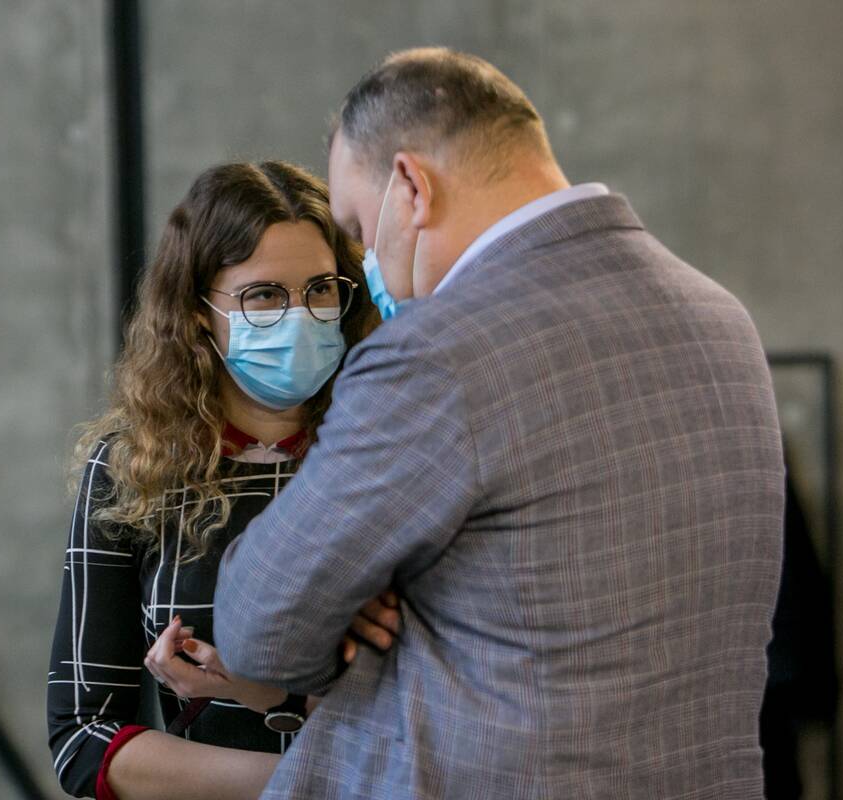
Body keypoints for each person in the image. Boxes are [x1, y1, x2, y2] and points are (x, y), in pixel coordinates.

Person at [214, 48, 785, 798]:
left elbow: (261, 628)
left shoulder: (437, 351)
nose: (366, 259)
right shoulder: (721, 318)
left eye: (358, 227)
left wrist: (352, 607)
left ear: (411, 186)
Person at [47, 160, 393, 800]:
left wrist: (275, 701)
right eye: (264, 296)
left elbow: (447, 699)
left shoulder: (389, 449)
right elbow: (83, 735)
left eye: (320, 288)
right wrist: (297, 787)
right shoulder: (131, 466)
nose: (301, 316)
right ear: (198, 310)